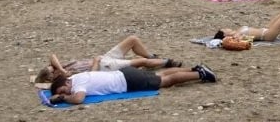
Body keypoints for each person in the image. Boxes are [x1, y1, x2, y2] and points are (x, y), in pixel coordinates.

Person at [47, 60, 215, 104]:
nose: (65, 93)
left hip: (127, 81)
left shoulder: (77, 85)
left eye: (63, 90)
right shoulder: (76, 77)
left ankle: (200, 74)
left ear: (67, 83)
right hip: (124, 74)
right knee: (159, 74)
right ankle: (194, 69)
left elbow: (78, 99)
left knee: (166, 81)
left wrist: (63, 99)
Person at [34, 37, 181, 83]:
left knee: (132, 40)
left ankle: (152, 58)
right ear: (51, 77)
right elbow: (92, 77)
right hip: (104, 67)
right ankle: (167, 62)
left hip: (104, 59)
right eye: (51, 70)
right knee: (138, 62)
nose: (52, 67)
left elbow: (52, 56)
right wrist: (97, 62)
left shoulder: (62, 70)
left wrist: (60, 69)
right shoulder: (68, 80)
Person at [214, 11, 280, 42]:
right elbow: (246, 40)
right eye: (225, 29)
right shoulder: (236, 36)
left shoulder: (237, 31)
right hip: (267, 35)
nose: (227, 28)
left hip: (265, 30)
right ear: (225, 35)